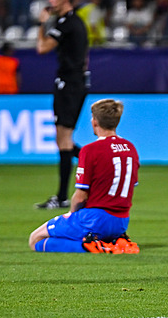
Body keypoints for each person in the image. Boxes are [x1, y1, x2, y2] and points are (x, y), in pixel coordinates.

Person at [28, 99, 140, 253]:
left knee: (35, 240)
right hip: (121, 221)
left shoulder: (90, 150)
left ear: (95, 122)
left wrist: (71, 216)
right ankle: (117, 242)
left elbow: (80, 196)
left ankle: (93, 246)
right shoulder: (130, 148)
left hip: (94, 219)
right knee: (66, 236)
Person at [35, 0, 90, 210]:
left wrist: (42, 25)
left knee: (64, 139)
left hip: (70, 84)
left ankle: (61, 196)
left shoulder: (67, 23)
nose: (51, 1)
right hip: (72, 83)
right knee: (63, 140)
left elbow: (42, 47)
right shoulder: (72, 22)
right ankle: (98, 162)